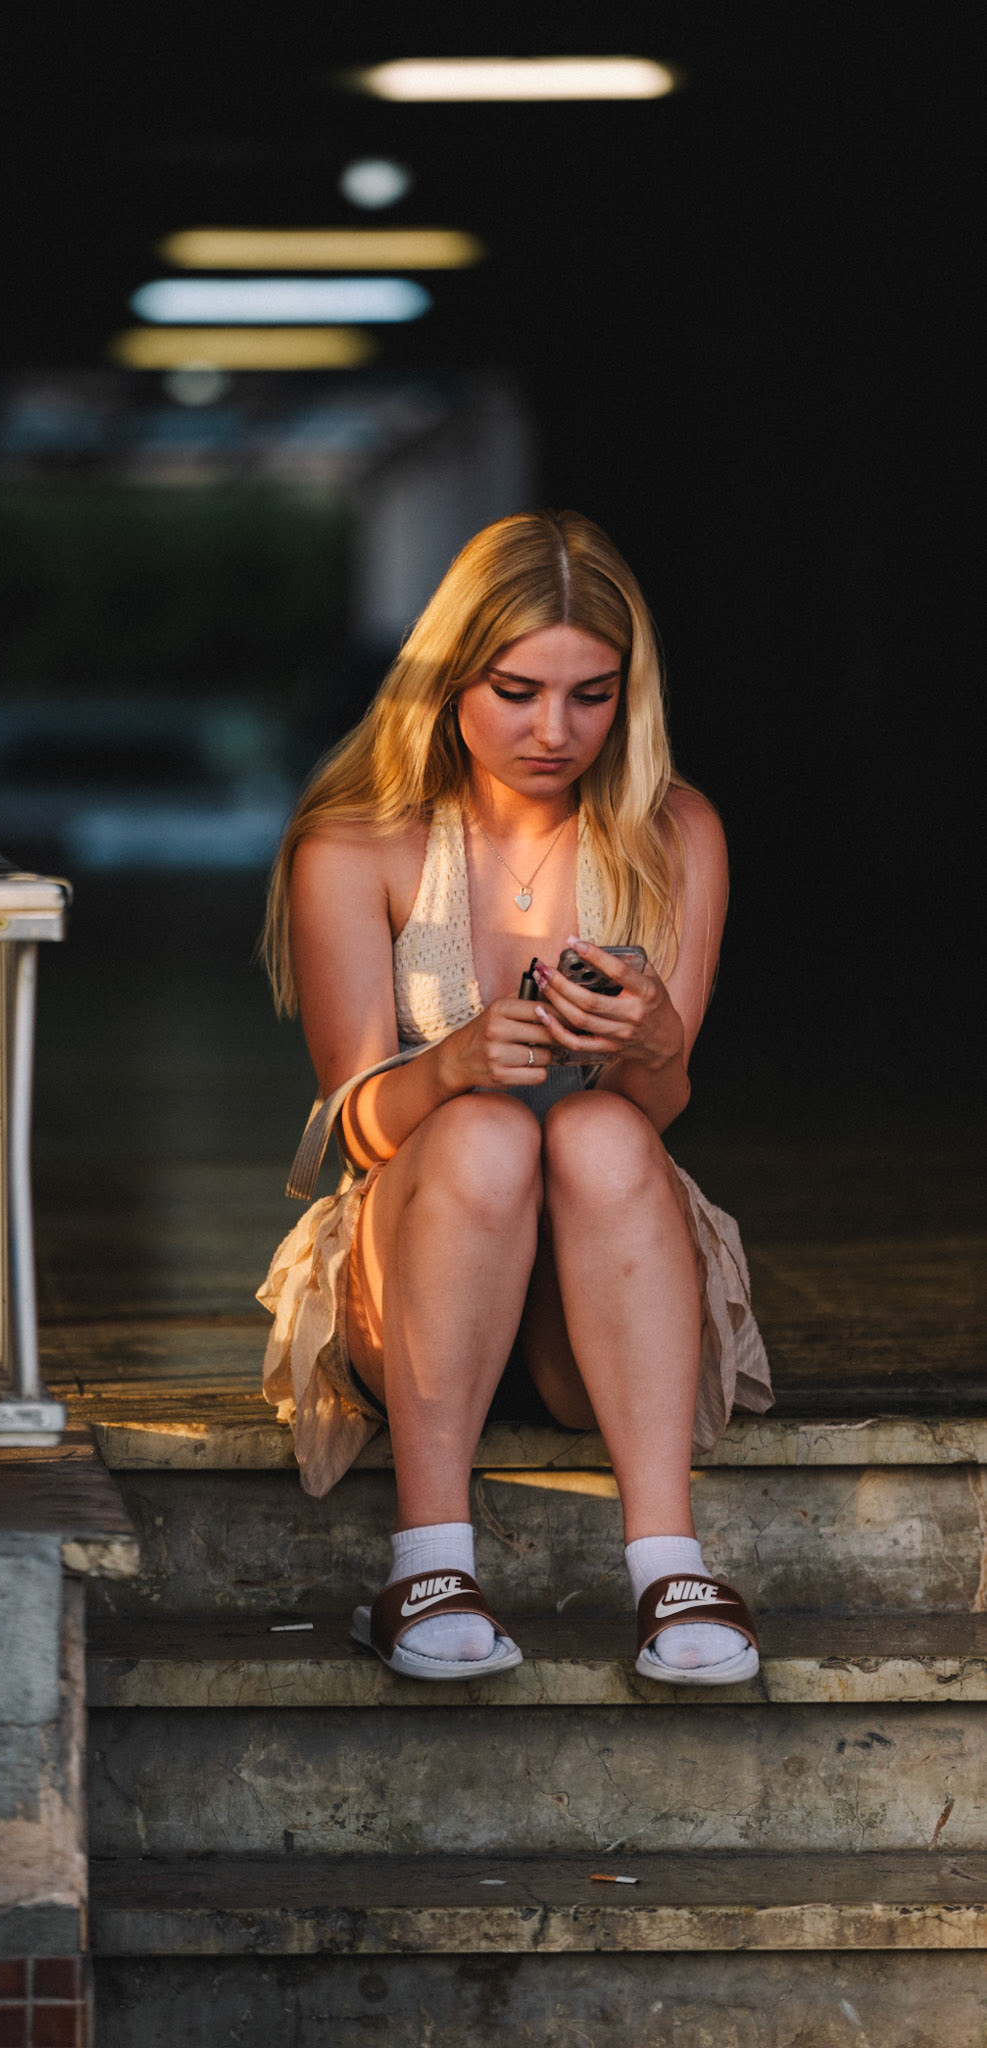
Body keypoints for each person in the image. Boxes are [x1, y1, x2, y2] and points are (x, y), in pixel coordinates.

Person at [258, 510, 771, 1687]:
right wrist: (451, 1064)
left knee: (598, 1122)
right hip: (419, 1265)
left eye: (591, 695)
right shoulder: (357, 842)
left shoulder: (676, 831)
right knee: (484, 1131)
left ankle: (666, 1560)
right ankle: (426, 1561)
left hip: (591, 1294)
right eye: (516, 689)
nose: (554, 730)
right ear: (446, 679)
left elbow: (662, 1104)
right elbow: (349, 1124)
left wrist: (649, 1038)